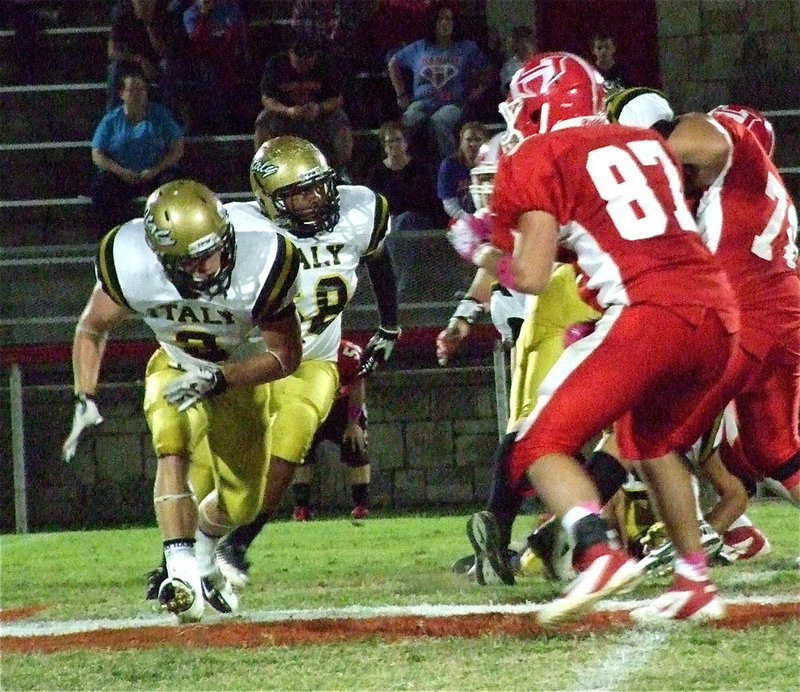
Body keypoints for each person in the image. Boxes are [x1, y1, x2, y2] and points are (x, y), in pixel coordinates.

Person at [458, 52, 741, 625]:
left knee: (537, 443)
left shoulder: (537, 154)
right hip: (717, 313)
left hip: (649, 311)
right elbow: (606, 228)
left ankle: (597, 551)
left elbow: (532, 278)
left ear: (539, 107)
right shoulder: (643, 143)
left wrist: (483, 252)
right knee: (650, 442)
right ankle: (694, 581)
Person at [62, 179, 304, 623]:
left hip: (240, 377)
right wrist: (85, 395)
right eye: (192, 260)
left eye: (214, 250)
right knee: (170, 436)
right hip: (176, 365)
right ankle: (180, 571)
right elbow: (92, 325)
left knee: (243, 503)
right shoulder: (130, 261)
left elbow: (285, 357)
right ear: (160, 257)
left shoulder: (265, 258)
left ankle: (206, 554)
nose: (209, 267)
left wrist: (221, 376)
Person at [212, 135, 400, 587]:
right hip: (251, 360)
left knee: (292, 442)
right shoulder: (242, 227)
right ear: (268, 199)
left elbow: (378, 258)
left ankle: (238, 544)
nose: (314, 200)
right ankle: (186, 550)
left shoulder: (359, 213)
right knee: (225, 468)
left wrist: (389, 324)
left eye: (318, 187)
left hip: (313, 358)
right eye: (298, 193)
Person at [387, 1, 491, 164]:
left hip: (454, 103)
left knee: (439, 121)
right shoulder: (420, 47)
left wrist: (479, 90)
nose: (445, 23)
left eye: (449, 19)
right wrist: (401, 94)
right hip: (421, 102)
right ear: (433, 23)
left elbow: (487, 69)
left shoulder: (466, 47)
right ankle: (402, 165)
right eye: (440, 19)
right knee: (407, 121)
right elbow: (393, 63)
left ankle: (449, 166)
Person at [90, 65, 185, 232]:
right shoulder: (112, 120)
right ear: (121, 94)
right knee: (103, 188)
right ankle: (112, 235)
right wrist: (120, 171)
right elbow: (97, 153)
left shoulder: (160, 115)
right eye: (132, 90)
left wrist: (156, 169)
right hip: (122, 176)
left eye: (141, 89)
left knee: (173, 187)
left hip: (156, 173)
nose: (138, 95)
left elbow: (177, 147)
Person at [288, 339, 372, 521]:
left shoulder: (349, 354)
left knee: (356, 446)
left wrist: (353, 423)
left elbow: (358, 387)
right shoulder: (299, 351)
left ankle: (361, 504)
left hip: (342, 407)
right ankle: (301, 506)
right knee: (300, 451)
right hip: (310, 404)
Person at [254, 30, 353, 178]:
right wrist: (288, 111)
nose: (303, 65)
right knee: (263, 120)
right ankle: (263, 170)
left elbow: (337, 99)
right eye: (298, 61)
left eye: (308, 60)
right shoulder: (276, 65)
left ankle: (342, 169)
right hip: (286, 115)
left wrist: (319, 108)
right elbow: (267, 99)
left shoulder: (326, 65)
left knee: (341, 120)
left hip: (318, 115)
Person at [367, 120, 442, 298]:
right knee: (394, 227)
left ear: (405, 143)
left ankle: (397, 282)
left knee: (404, 220)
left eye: (398, 140)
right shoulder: (377, 172)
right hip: (389, 225)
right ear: (384, 146)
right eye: (390, 141)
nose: (394, 145)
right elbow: (372, 204)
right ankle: (404, 284)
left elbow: (428, 201)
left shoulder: (419, 168)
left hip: (418, 221)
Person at [182, 0, 253, 134]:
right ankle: (220, 128)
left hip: (229, 58)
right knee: (210, 75)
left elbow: (234, 37)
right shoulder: (190, 14)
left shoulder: (230, 7)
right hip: (205, 62)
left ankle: (235, 125)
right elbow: (197, 42)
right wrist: (204, 15)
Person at [437, 121, 488, 222]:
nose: (473, 144)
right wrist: (470, 220)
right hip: (460, 218)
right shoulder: (449, 165)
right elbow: (449, 203)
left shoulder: (492, 163)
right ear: (461, 142)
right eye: (468, 140)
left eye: (478, 140)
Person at [499, 26, 536, 98]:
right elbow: (511, 93)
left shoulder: (541, 61)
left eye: (529, 41)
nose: (526, 45)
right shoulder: (510, 67)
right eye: (521, 42)